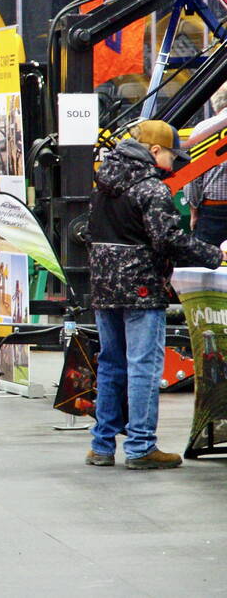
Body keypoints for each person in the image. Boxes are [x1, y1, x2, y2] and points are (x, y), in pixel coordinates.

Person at [86, 120, 224, 470]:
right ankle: (141, 447)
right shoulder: (150, 188)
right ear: (155, 150)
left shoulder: (103, 182)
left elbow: (91, 231)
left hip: (104, 283)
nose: (173, 163)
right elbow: (169, 239)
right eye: (171, 155)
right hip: (141, 285)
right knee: (143, 366)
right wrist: (215, 256)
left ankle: (101, 446)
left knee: (111, 362)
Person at [186, 85, 227, 246]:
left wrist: (194, 211)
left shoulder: (203, 129)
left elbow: (194, 177)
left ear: (214, 104)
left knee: (209, 265)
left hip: (214, 211)